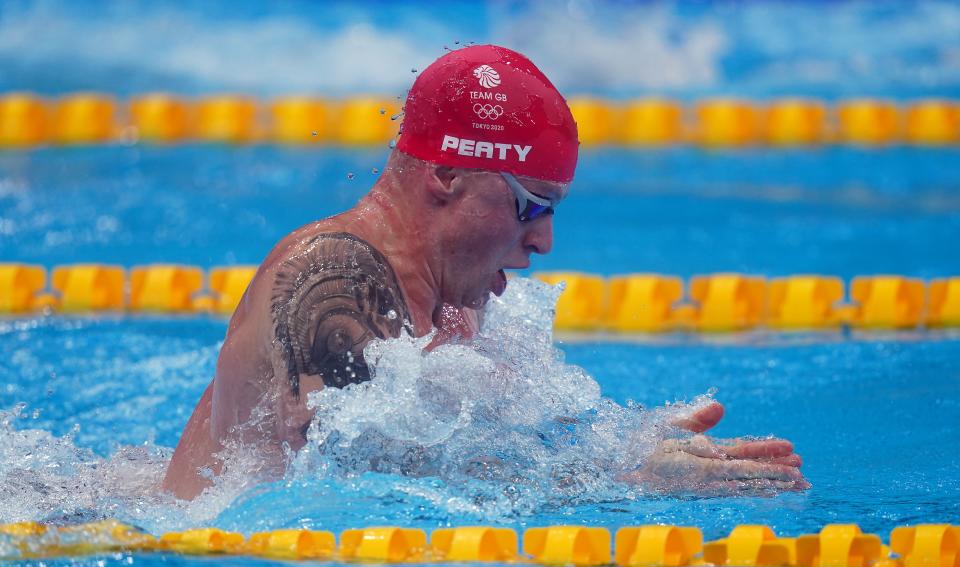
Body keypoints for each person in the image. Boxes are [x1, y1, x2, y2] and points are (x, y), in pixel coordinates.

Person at [162, 45, 807, 500]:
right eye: (530, 206)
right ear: (446, 175)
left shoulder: (452, 302)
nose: (545, 241)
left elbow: (464, 458)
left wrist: (618, 451)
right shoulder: (330, 276)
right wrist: (617, 478)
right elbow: (343, 483)